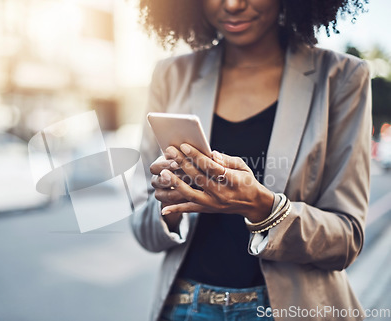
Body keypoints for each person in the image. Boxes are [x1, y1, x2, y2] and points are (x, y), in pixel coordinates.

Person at [130, 0, 371, 320]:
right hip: (188, 306)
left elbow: (346, 239)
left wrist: (261, 206)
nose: (232, 4)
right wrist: (171, 205)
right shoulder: (171, 74)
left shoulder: (342, 77)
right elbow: (142, 227)